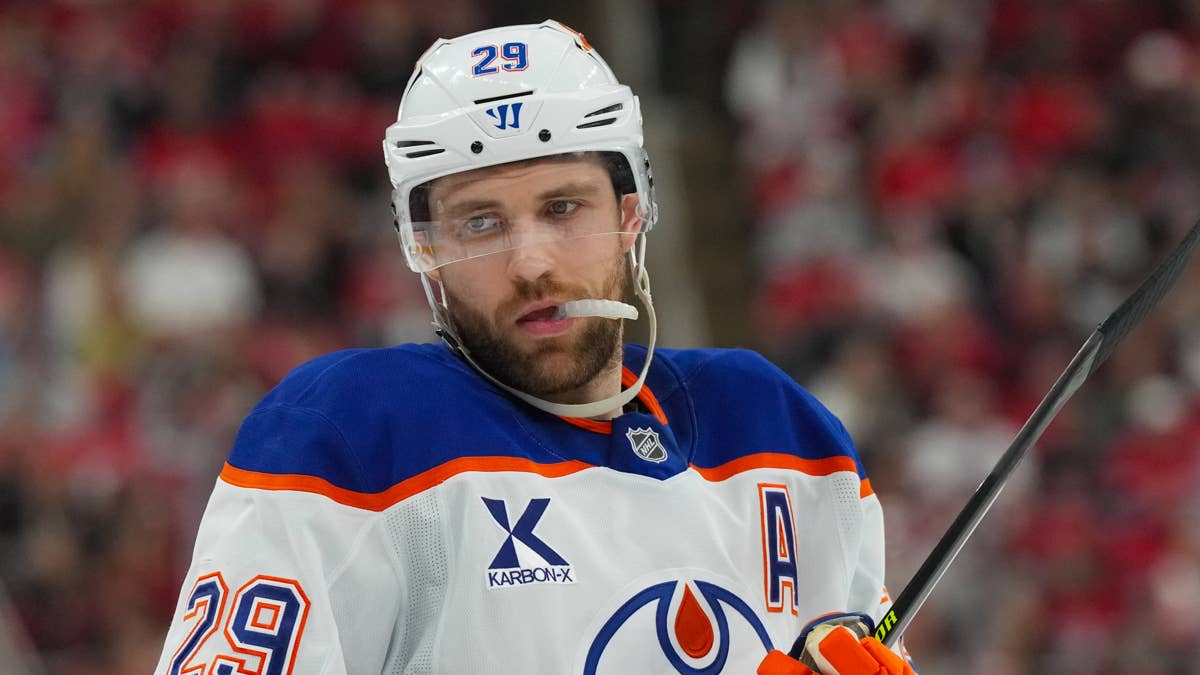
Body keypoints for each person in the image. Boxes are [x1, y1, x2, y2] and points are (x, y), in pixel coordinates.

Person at [154, 20, 913, 675]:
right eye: (480, 223)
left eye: (562, 207)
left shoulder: (777, 430)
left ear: (629, 215)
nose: (531, 262)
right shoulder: (351, 434)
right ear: (424, 248)